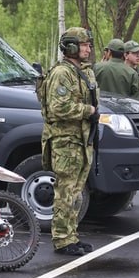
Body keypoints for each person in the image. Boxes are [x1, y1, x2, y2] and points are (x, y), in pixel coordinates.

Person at [38, 27, 98, 256]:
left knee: (76, 192)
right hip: (66, 142)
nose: (88, 49)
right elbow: (58, 107)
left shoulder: (84, 71)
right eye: (84, 45)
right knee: (65, 191)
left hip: (82, 140)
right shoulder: (62, 73)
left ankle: (71, 235)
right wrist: (87, 110)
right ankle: (62, 239)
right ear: (71, 47)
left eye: (88, 45)